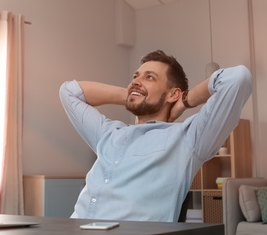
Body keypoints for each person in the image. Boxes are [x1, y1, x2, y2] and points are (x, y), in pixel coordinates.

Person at [59, 50, 252, 222]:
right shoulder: (108, 133)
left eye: (149, 77)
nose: (135, 81)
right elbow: (69, 91)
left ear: (172, 94)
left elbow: (237, 78)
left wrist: (184, 101)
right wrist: (132, 94)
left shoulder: (188, 139)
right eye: (135, 76)